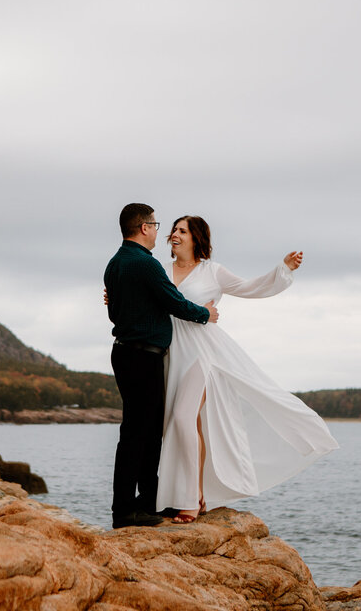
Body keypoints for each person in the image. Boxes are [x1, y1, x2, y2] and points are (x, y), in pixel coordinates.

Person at [157, 215, 338, 523]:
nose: (175, 234)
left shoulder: (212, 272)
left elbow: (251, 287)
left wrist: (282, 270)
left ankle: (187, 501)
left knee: (184, 418)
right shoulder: (160, 271)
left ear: (196, 238)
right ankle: (197, 495)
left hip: (203, 355)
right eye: (174, 230)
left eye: (182, 231)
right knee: (190, 425)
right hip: (171, 353)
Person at [104, 203, 219, 529]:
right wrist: (205, 314)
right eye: (155, 224)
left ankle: (147, 502)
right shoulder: (147, 265)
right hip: (144, 356)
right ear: (144, 228)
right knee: (140, 434)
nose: (160, 231)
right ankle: (128, 510)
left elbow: (115, 313)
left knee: (144, 430)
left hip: (125, 353)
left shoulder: (114, 265)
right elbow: (174, 302)